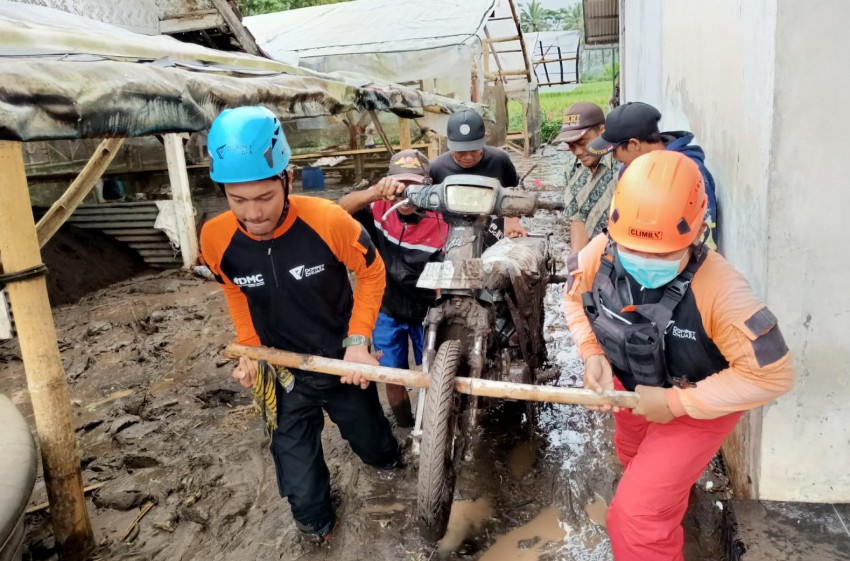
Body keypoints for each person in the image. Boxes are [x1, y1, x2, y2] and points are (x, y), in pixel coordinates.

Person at [562, 150, 793, 561]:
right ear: (614, 229)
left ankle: (654, 523)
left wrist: (677, 402)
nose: (645, 263)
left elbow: (774, 375)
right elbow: (575, 299)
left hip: (699, 398)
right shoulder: (601, 253)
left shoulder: (722, 291)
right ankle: (666, 501)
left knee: (634, 518)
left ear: (699, 232)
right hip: (630, 381)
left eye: (663, 254)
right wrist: (592, 351)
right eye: (635, 250)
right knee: (632, 458)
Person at [200, 106, 400, 543]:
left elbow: (371, 272)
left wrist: (358, 340)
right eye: (238, 199)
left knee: (378, 451)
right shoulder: (215, 237)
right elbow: (233, 287)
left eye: (264, 197)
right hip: (282, 373)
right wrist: (250, 348)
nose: (252, 213)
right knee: (303, 495)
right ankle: (318, 527)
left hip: (340, 364)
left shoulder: (327, 220)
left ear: (287, 180)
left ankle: (388, 467)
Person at [337, 149, 448, 427]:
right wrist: (375, 193)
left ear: (429, 183)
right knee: (391, 373)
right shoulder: (377, 208)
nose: (405, 193)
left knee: (432, 374)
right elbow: (337, 211)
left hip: (427, 311)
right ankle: (404, 425)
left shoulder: (444, 220)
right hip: (386, 307)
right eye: (399, 184)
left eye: (413, 185)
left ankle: (432, 428)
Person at [587, 101, 719, 249]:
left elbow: (704, 240)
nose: (615, 157)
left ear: (634, 144)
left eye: (614, 151)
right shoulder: (630, 169)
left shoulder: (689, 174)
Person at [429, 109, 526, 244]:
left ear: (485, 138)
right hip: (452, 235)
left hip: (494, 229)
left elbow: (515, 192)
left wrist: (512, 219)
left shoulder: (500, 160)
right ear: (447, 141)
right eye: (460, 151)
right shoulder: (436, 168)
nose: (468, 157)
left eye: (474, 149)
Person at [553, 102, 619, 254]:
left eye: (582, 143)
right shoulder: (571, 169)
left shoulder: (621, 165)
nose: (577, 152)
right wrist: (576, 265)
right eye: (571, 146)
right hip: (594, 255)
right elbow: (578, 221)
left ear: (602, 131)